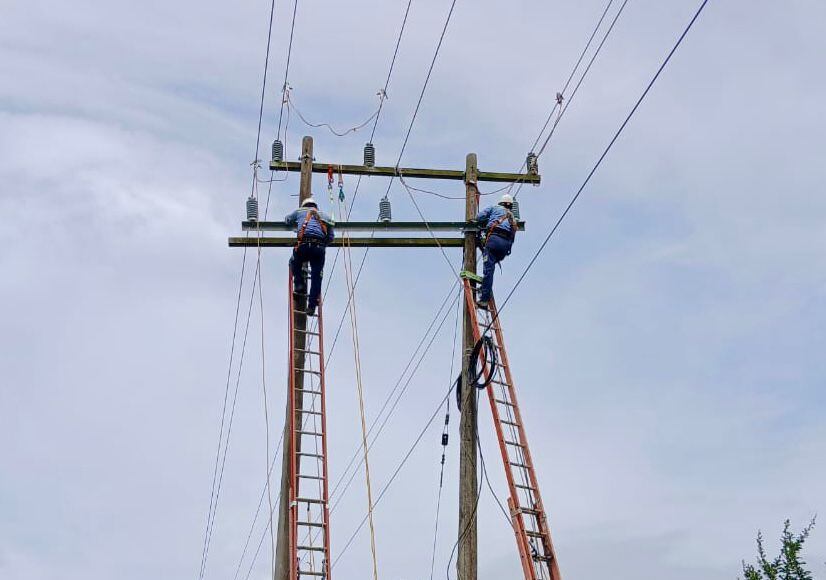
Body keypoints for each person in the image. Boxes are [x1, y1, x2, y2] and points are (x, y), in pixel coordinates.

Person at [284, 197, 335, 316]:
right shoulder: (325, 216)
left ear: (304, 205)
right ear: (316, 206)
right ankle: (311, 306)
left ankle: (299, 284)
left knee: (294, 262)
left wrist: (294, 224)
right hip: (319, 249)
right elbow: (331, 237)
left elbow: (287, 220)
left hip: (304, 246)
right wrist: (322, 244)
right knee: (317, 276)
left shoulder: (299, 211)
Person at [475, 193, 517, 309]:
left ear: (501, 203)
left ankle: (484, 299)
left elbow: (479, 217)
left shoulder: (494, 208)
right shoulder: (512, 217)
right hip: (505, 247)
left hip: (494, 241)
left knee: (488, 270)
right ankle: (485, 287)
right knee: (491, 265)